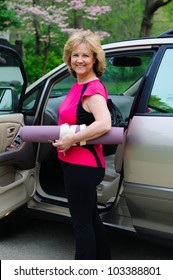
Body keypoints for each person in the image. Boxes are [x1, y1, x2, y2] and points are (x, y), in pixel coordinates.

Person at [53, 29, 111, 260]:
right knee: (91, 219)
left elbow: (104, 123)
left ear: (95, 58)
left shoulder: (92, 89)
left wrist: (71, 139)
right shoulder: (79, 85)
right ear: (69, 58)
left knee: (81, 225)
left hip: (83, 167)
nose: (79, 60)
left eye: (86, 55)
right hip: (76, 164)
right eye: (75, 55)